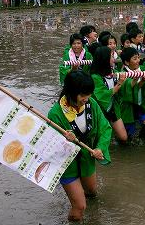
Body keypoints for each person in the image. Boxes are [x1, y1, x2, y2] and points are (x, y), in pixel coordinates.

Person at [47, 70, 112, 222]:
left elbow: (105, 127)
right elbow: (49, 144)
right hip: (67, 163)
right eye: (83, 95)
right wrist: (65, 140)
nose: (86, 99)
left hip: (86, 157)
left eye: (89, 94)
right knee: (80, 208)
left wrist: (100, 148)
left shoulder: (91, 104)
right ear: (71, 92)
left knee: (92, 192)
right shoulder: (55, 114)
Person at [90, 46, 128, 142]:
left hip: (113, 108)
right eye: (111, 57)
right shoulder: (95, 77)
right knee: (100, 138)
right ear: (104, 60)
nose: (113, 59)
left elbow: (123, 89)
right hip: (100, 110)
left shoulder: (114, 72)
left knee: (124, 137)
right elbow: (102, 95)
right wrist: (119, 84)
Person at [119, 45, 145, 137]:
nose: (138, 60)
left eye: (138, 58)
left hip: (141, 103)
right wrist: (141, 80)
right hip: (128, 105)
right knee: (129, 134)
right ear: (127, 62)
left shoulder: (142, 69)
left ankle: (141, 138)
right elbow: (129, 87)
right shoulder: (122, 74)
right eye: (135, 59)